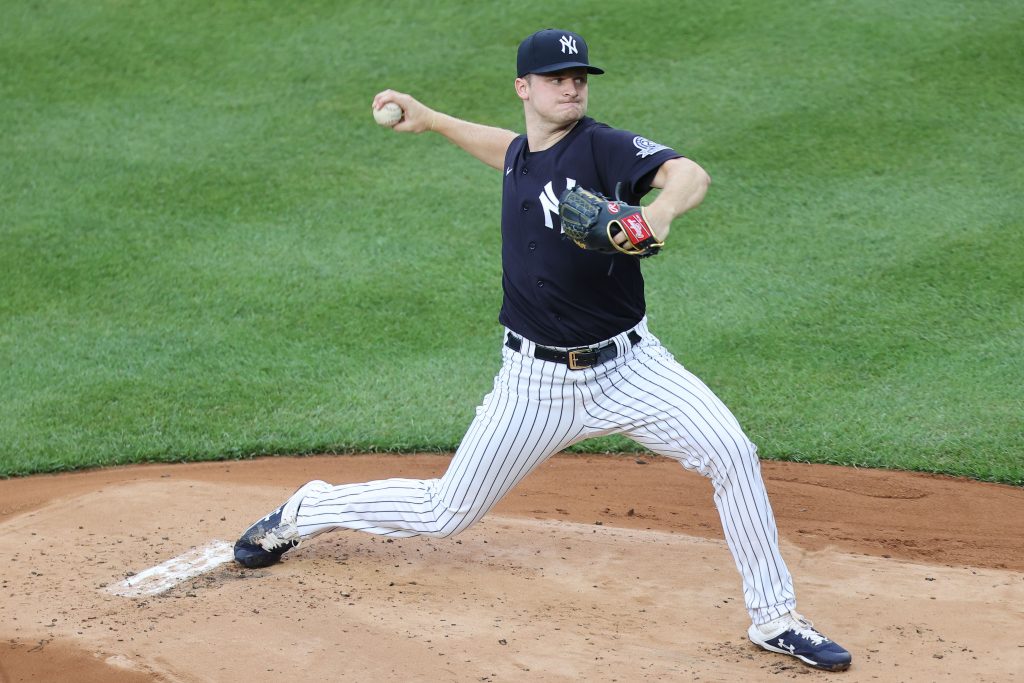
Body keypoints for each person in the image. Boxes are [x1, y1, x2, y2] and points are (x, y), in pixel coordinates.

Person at [233, 28, 852, 672]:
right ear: (523, 88)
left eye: (579, 76)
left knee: (732, 453)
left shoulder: (603, 147)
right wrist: (435, 120)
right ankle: (310, 508)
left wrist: (659, 214)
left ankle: (776, 617)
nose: (572, 86)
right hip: (536, 385)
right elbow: (508, 151)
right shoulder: (523, 156)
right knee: (445, 512)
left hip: (633, 368)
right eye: (557, 77)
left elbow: (687, 174)